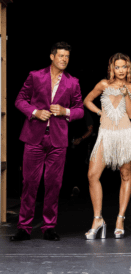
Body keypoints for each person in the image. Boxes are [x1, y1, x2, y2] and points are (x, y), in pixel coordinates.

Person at [11, 42, 84, 241]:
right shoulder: (35, 76)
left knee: (53, 184)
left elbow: (80, 109)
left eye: (67, 57)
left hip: (58, 140)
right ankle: (24, 228)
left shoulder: (73, 82)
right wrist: (35, 112)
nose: (64, 60)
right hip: (34, 137)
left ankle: (49, 227)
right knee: (30, 183)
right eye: (60, 56)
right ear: (52, 57)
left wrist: (65, 111)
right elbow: (19, 100)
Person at [83, 53, 131, 239]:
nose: (121, 70)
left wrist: (126, 95)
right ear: (112, 68)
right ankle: (98, 218)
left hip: (124, 135)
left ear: (128, 68)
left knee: (125, 175)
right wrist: (100, 112)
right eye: (117, 67)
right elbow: (87, 101)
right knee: (92, 175)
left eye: (124, 67)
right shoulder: (103, 84)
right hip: (105, 134)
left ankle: (120, 219)